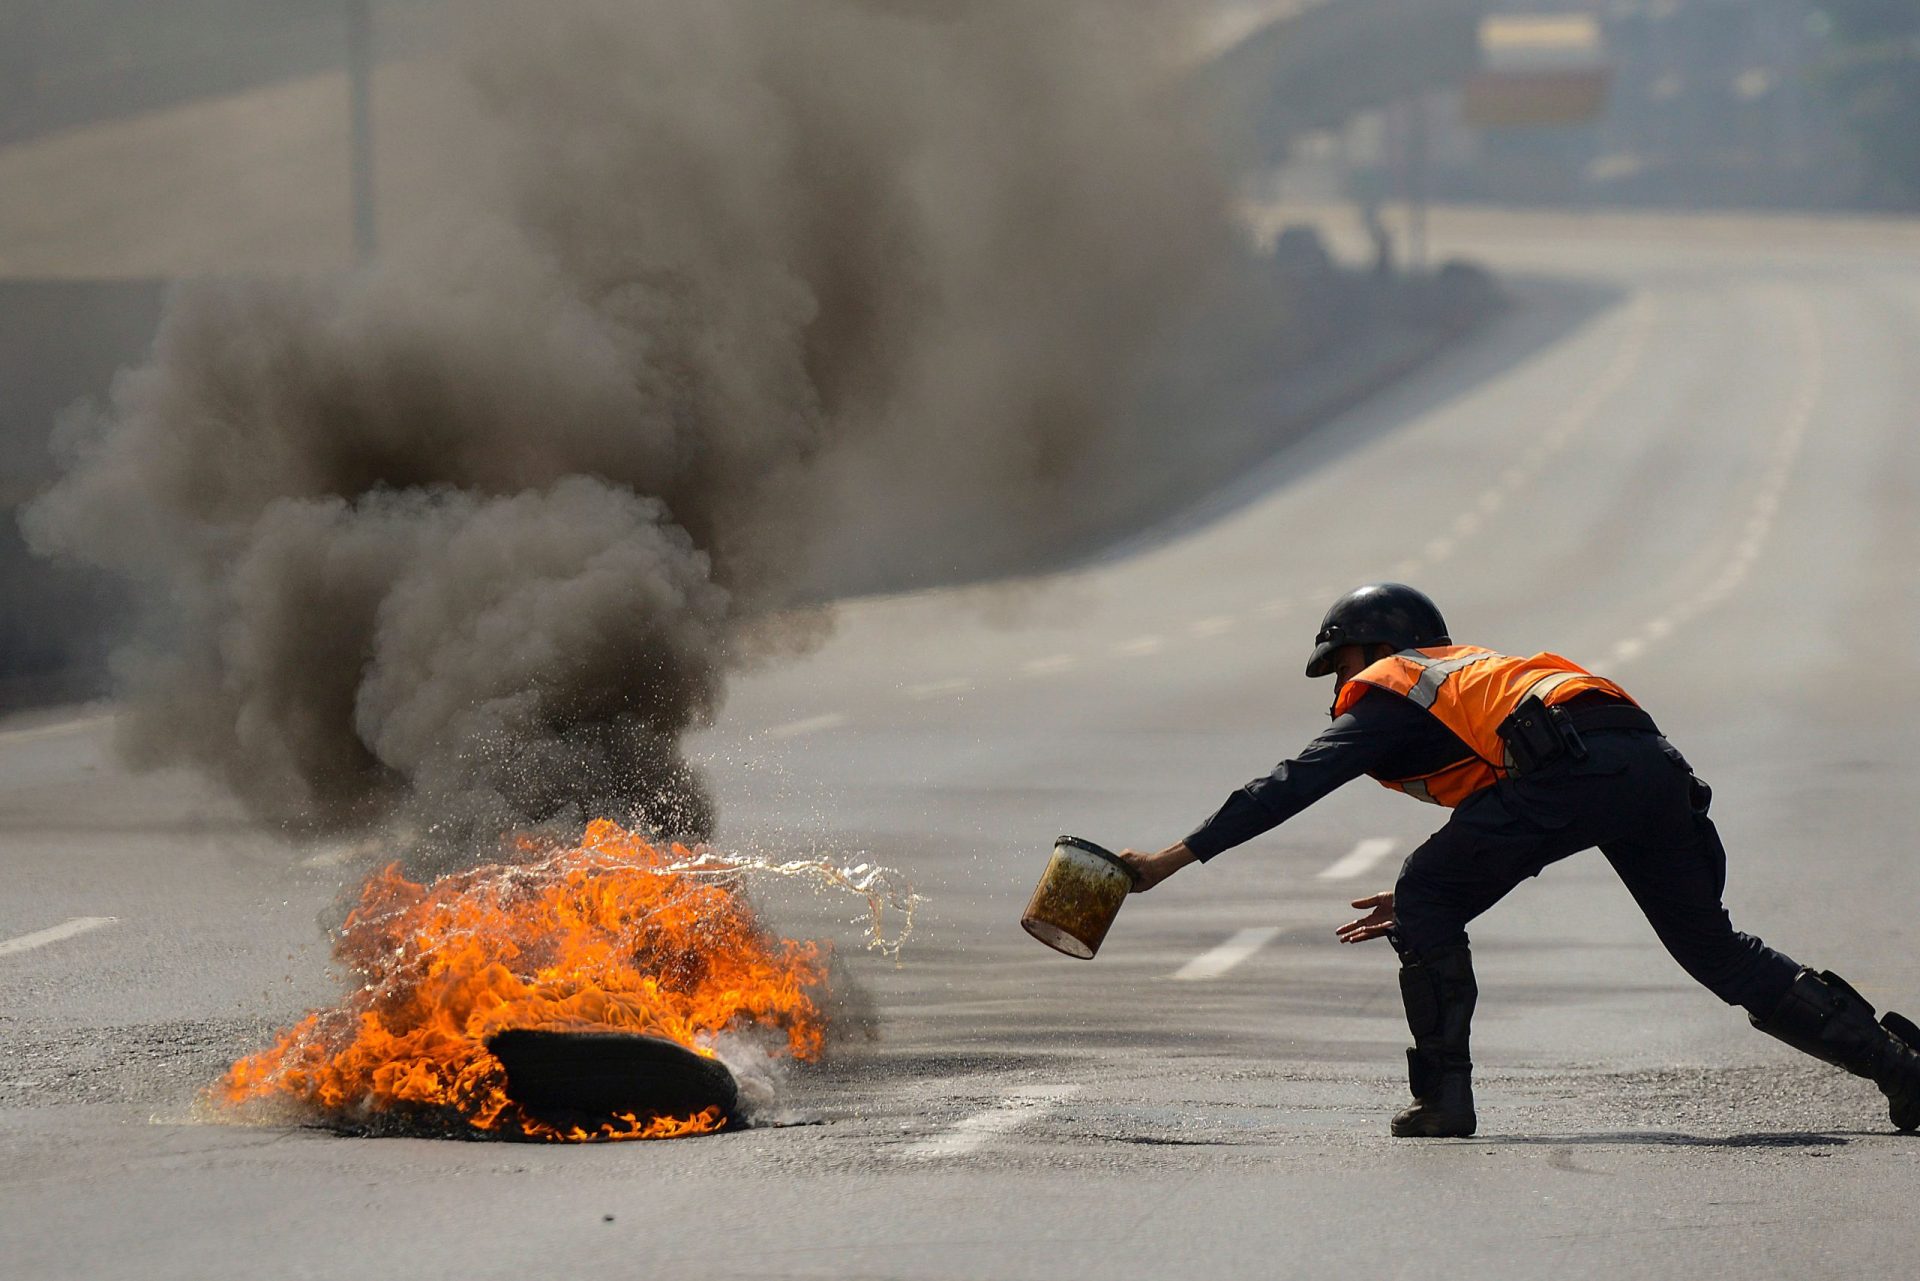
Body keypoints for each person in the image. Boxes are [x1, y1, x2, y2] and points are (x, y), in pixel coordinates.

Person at [1119, 583, 1920, 1137]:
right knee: (1714, 947)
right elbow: (1514, 804)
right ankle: (1899, 1065)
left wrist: (1174, 857)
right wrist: (1439, 893)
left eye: (1340, 664)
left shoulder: (1394, 687)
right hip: (1650, 763)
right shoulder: (1469, 675)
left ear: (1375, 647)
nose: (1339, 683)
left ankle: (1443, 1101)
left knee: (1426, 888)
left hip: (1573, 771)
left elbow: (1290, 784)